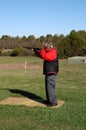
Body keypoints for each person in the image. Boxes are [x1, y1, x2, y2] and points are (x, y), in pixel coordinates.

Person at [32, 42, 59, 106]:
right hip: (49, 72)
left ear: (49, 47)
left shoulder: (53, 52)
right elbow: (42, 56)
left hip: (51, 72)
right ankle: (49, 100)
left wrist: (41, 51)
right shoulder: (48, 52)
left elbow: (46, 57)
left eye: (45, 47)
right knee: (48, 87)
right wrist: (36, 52)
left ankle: (53, 102)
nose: (44, 48)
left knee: (50, 87)